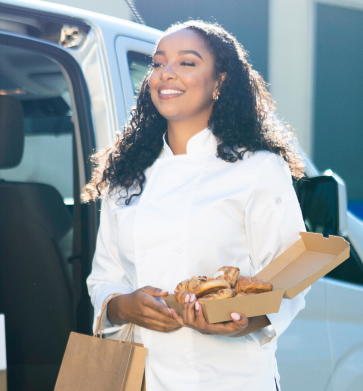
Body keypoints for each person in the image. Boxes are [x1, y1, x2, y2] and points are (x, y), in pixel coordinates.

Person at [83, 20, 308, 391]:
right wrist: (123, 307)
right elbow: (104, 278)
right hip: (144, 377)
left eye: (186, 63)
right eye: (158, 64)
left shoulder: (257, 168)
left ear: (220, 81)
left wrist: (241, 323)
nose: (165, 74)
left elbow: (290, 278)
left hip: (230, 378)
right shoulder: (127, 176)